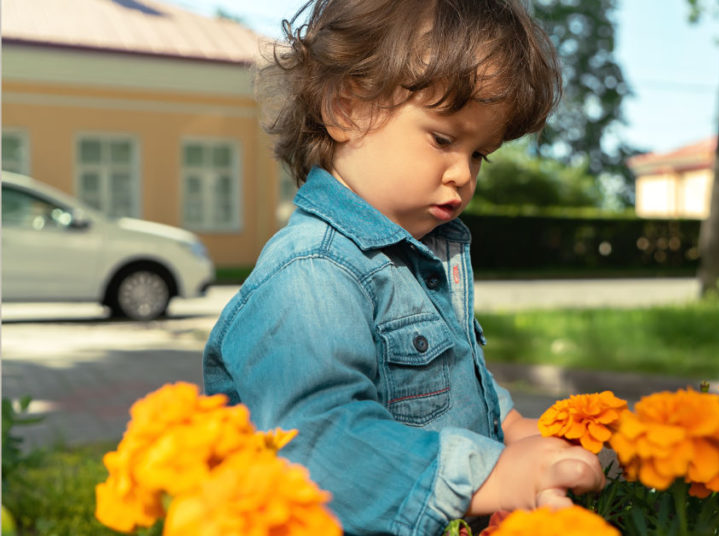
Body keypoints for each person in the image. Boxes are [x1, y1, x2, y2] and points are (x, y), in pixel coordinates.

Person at [202, 1, 606, 534]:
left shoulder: (417, 256)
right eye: (443, 138)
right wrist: (490, 477)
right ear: (346, 110)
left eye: (481, 153)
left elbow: (454, 384)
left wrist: (519, 432)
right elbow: (321, 445)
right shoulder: (311, 271)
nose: (463, 173)